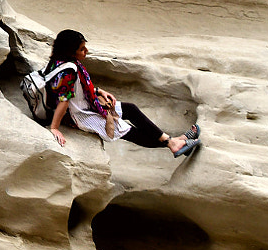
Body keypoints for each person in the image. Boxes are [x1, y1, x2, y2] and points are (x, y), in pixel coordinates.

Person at [44, 30, 199, 157]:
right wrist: (55, 128)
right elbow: (64, 101)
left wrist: (98, 91)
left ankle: (175, 141)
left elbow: (76, 89)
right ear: (71, 52)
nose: (86, 51)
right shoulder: (67, 72)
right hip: (81, 114)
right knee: (127, 130)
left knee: (130, 109)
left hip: (86, 105)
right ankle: (173, 144)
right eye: (82, 49)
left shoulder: (59, 62)